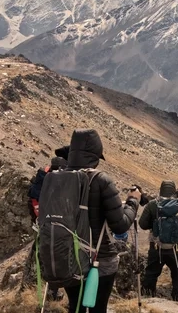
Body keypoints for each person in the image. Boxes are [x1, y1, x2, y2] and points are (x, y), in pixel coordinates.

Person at [59, 129, 141, 313]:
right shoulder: (100, 180)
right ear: (95, 155)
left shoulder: (57, 178)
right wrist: (133, 201)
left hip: (66, 257)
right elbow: (119, 225)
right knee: (98, 308)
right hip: (99, 259)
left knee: (76, 306)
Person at [138, 181, 178, 302]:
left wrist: (155, 226)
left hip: (156, 246)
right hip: (176, 248)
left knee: (151, 273)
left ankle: (148, 299)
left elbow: (142, 224)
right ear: (174, 191)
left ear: (161, 190)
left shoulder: (152, 204)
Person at [24, 156, 67, 300]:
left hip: (41, 225)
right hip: (54, 228)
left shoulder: (41, 180)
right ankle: (52, 292)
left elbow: (32, 201)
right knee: (56, 259)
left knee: (44, 257)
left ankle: (44, 290)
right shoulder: (56, 182)